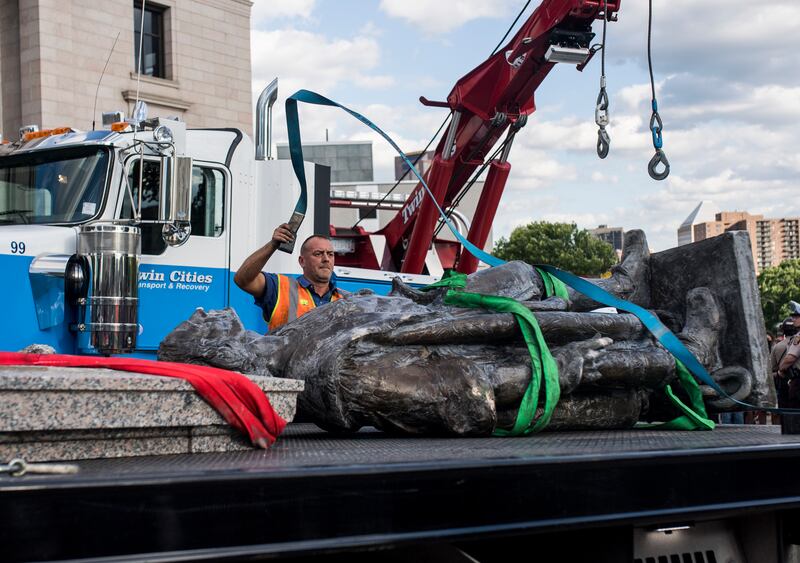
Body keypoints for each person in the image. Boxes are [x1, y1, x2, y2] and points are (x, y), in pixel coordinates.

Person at [234, 224, 347, 331]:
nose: (326, 259)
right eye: (318, 254)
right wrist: (273, 245)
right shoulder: (279, 288)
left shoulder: (347, 300)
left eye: (330, 254)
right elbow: (242, 279)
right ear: (302, 261)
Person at [778, 301, 800, 408]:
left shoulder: (798, 337)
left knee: (794, 415)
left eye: (796, 317)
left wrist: (781, 369)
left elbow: (790, 358)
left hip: (798, 382)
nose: (793, 319)